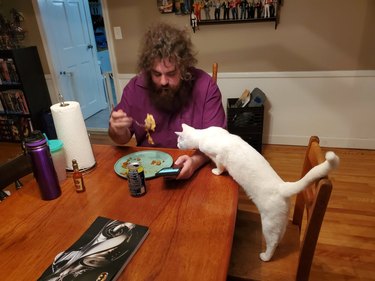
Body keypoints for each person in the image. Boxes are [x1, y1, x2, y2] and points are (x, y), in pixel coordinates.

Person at [109, 22, 226, 180]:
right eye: (156, 74)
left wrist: (194, 162)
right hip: (148, 171)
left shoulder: (205, 86)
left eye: (171, 74)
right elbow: (121, 138)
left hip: (197, 169)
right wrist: (118, 130)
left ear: (183, 68)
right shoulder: (135, 87)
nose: (163, 81)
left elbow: (218, 143)